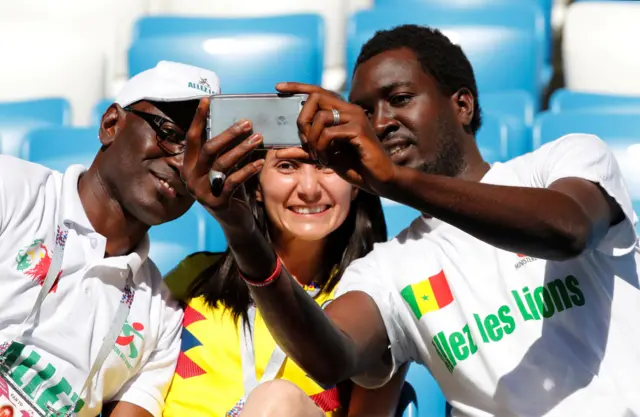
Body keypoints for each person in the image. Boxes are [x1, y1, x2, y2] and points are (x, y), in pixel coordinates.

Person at [178, 24, 640, 416]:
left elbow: (568, 230)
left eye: (399, 98)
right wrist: (241, 231)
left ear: (463, 105)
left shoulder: (563, 160)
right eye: (364, 111)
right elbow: (329, 357)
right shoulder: (388, 267)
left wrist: (394, 180)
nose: (380, 123)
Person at [0, 61, 222, 417]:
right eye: (170, 133)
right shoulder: (12, 188)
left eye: (201, 154)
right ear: (111, 125)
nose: (183, 164)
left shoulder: (162, 317)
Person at [161, 145, 408, 417]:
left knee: (278, 400)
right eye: (287, 166)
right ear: (255, 184)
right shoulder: (192, 278)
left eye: (326, 164)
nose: (309, 188)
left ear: (355, 183)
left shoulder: (370, 302)